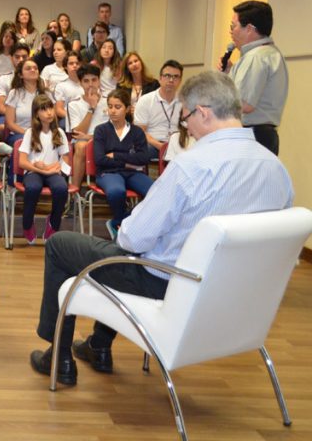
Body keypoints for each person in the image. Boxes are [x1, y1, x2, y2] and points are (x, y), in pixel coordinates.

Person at [29, 70, 293, 386]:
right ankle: (99, 344)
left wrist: (134, 224)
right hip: (237, 298)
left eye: (186, 118)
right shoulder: (276, 169)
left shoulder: (191, 167)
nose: (187, 128)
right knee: (130, 252)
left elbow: (132, 238)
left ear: (204, 113)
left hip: (168, 286)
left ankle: (58, 357)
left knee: (63, 245)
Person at [222, 0, 288, 155]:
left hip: (252, 136)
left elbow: (244, 104)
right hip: (263, 136)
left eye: (233, 26)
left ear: (249, 29)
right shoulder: (271, 53)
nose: (231, 32)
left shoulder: (255, 57)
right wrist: (230, 73)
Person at [93, 89, 154, 239]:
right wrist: (128, 162)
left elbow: (143, 158)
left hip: (133, 173)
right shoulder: (101, 130)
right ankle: (121, 223)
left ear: (127, 109)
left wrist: (115, 155)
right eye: (110, 106)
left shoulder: (137, 132)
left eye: (118, 107)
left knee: (155, 191)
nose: (113, 111)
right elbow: (100, 159)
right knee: (116, 191)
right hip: (108, 173)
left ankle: (124, 222)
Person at [18, 94, 71, 245]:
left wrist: (55, 167)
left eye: (50, 108)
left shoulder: (59, 132)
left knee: (61, 188)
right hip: (33, 172)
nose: (49, 112)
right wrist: (41, 169)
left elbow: (65, 157)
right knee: (33, 188)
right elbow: (22, 162)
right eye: (43, 109)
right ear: (36, 114)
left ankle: (53, 223)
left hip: (53, 172)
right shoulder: (30, 133)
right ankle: (27, 224)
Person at [68, 64, 108, 190]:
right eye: (86, 81)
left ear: (99, 81)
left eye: (94, 80)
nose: (90, 84)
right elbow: (77, 133)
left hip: (105, 140)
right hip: (83, 141)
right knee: (81, 146)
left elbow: (114, 131)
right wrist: (92, 108)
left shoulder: (109, 101)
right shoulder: (74, 104)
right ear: (80, 83)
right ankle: (75, 190)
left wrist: (89, 137)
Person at [134, 60, 184, 161]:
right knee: (135, 151)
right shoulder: (146, 100)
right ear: (160, 78)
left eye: (175, 77)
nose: (171, 80)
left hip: (177, 144)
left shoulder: (185, 101)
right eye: (167, 76)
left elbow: (189, 129)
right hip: (153, 144)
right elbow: (140, 131)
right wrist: (159, 145)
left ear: (180, 81)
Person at [5, 58, 49, 147]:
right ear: (21, 75)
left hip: (43, 133)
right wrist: (29, 134)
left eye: (35, 68)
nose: (33, 70)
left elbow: (52, 118)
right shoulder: (14, 93)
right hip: (20, 133)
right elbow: (10, 123)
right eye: (28, 68)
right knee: (29, 142)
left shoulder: (47, 93)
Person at [52, 51, 84, 130]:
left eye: (77, 63)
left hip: (87, 115)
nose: (75, 66)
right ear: (65, 67)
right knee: (63, 124)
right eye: (71, 63)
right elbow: (59, 110)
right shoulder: (61, 86)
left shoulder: (88, 83)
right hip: (69, 117)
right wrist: (74, 117)